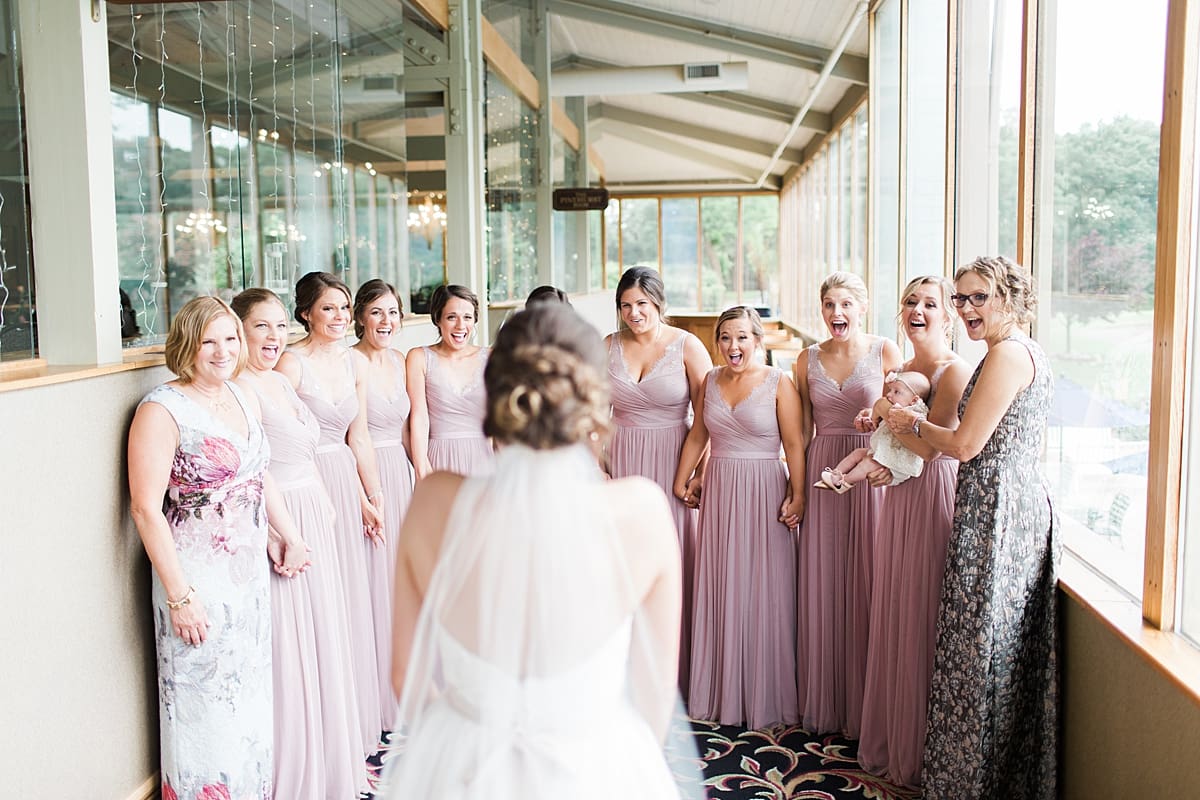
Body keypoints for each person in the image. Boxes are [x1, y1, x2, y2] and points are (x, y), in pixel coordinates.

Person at [381, 303, 694, 799]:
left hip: (462, 766)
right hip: (593, 767)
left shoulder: (433, 501)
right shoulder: (642, 511)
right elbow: (656, 696)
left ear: (497, 392)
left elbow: (406, 677)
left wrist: (453, 757)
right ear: (593, 395)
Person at [885, 257, 1057, 799]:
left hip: (1000, 514)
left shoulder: (1008, 354)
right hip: (994, 505)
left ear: (1009, 297)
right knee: (981, 648)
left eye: (978, 297)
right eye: (960, 299)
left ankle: (974, 784)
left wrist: (909, 422)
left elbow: (963, 446)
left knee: (983, 649)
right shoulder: (1009, 351)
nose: (966, 309)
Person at [127, 296, 308, 799]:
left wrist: (286, 533)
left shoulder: (241, 395)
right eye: (208, 340)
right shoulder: (162, 409)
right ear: (187, 344)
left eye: (230, 338)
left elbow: (258, 472)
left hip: (247, 579)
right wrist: (179, 596)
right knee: (203, 708)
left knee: (245, 706)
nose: (222, 350)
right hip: (195, 580)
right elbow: (145, 509)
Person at [232, 288, 368, 797]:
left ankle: (332, 758)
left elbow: (307, 447)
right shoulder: (241, 389)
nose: (273, 337)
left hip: (315, 510)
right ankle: (298, 765)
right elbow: (255, 469)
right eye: (259, 327)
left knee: (322, 634)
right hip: (283, 519)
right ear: (238, 331)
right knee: (291, 642)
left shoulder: (277, 383)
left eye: (276, 326)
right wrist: (281, 530)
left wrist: (333, 503)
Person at [856, 276, 971, 788]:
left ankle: (925, 749)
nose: (918, 310)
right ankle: (895, 735)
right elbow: (886, 435)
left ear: (948, 315)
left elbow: (931, 449)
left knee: (922, 612)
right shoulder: (900, 369)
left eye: (930, 303)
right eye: (910, 302)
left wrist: (887, 417)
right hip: (899, 496)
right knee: (896, 606)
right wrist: (880, 434)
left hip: (931, 494)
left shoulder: (953, 371)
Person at [675, 305, 805, 729]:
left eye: (742, 337)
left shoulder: (779, 382)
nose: (733, 346)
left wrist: (798, 494)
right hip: (721, 490)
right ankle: (720, 689)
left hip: (765, 489)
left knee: (765, 586)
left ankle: (765, 693)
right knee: (724, 583)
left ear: (758, 340)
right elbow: (699, 433)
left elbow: (796, 444)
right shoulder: (711, 380)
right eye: (725, 338)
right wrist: (684, 479)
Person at [276, 270, 385, 756]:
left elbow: (357, 436)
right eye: (329, 309)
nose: (340, 317)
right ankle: (323, 733)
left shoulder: (353, 364)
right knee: (323, 598)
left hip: (343, 477)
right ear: (305, 314)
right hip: (304, 482)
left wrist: (372, 495)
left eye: (344, 308)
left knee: (351, 597)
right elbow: (278, 440)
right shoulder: (290, 365)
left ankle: (356, 721)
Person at [795, 271, 902, 737]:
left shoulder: (885, 352)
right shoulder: (805, 359)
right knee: (824, 580)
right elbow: (797, 432)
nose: (836, 314)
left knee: (869, 577)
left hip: (868, 474)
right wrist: (796, 489)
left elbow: (902, 417)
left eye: (845, 305)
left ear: (861, 307)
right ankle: (828, 699)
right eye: (829, 305)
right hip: (822, 470)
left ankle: (867, 703)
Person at [606, 266, 712, 696]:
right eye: (626, 306)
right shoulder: (606, 347)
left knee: (672, 560)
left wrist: (698, 472)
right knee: (622, 565)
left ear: (659, 303)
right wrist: (598, 466)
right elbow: (590, 414)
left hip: (674, 465)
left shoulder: (688, 346)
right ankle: (625, 668)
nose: (634, 313)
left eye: (642, 305)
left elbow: (711, 413)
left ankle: (675, 669)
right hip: (623, 465)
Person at [352, 278, 417, 732]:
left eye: (392, 312)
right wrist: (364, 493)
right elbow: (347, 434)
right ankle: (373, 700)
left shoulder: (400, 361)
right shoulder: (348, 361)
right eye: (376, 312)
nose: (386, 321)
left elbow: (413, 428)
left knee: (401, 584)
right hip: (367, 473)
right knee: (373, 582)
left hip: (402, 472)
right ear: (360, 317)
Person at [406, 284, 494, 478]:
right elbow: (419, 418)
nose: (460, 326)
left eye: (468, 317)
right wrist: (422, 468)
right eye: (451, 317)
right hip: (439, 460)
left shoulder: (491, 357)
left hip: (484, 461)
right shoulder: (419, 357)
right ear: (438, 319)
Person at [813, 370, 931, 493]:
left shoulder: (913, 412)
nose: (889, 395)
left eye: (896, 392)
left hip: (898, 463)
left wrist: (880, 406)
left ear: (914, 400)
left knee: (868, 462)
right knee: (858, 453)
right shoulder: (898, 406)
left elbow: (886, 410)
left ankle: (844, 482)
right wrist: (872, 417)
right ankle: (835, 474)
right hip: (888, 454)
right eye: (890, 390)